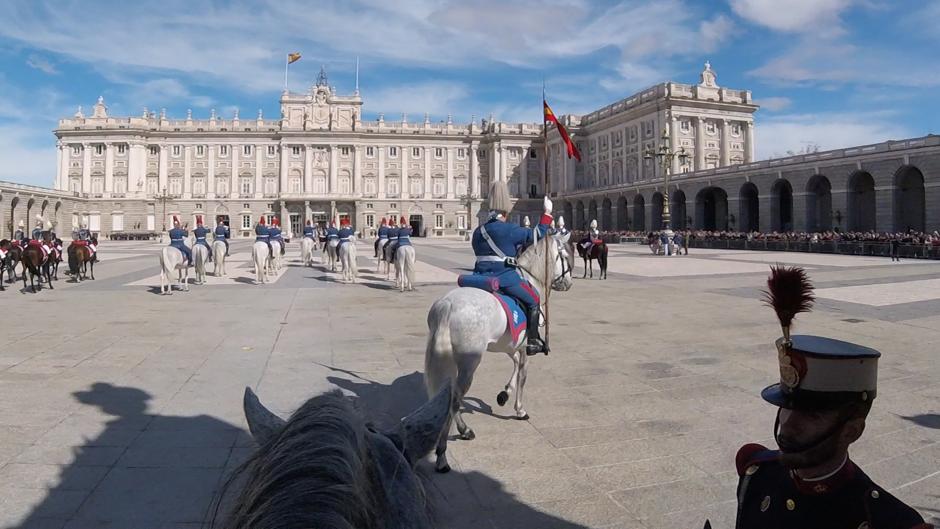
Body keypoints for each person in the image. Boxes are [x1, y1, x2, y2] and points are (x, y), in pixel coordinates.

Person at [733, 266, 932, 529]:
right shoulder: (757, 473)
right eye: (786, 406)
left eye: (812, 414)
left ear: (852, 431)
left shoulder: (886, 520)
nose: (788, 423)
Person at [472, 181, 553, 356]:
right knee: (534, 298)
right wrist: (547, 213)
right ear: (505, 212)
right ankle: (532, 341)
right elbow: (537, 234)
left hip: (478, 277)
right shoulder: (508, 229)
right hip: (504, 278)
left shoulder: (478, 231)